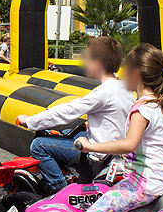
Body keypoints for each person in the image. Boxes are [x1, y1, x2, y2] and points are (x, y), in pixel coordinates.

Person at [74, 43, 163, 212]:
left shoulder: (141, 109)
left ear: (136, 75)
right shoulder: (159, 104)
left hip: (142, 184)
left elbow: (129, 144)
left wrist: (89, 146)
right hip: (157, 181)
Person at [15, 36, 129, 194]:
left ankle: (60, 189)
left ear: (97, 63)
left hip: (99, 154)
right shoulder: (123, 87)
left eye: (87, 59)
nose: (84, 63)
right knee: (69, 133)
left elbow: (67, 111)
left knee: (38, 145)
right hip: (115, 151)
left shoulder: (103, 92)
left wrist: (30, 121)